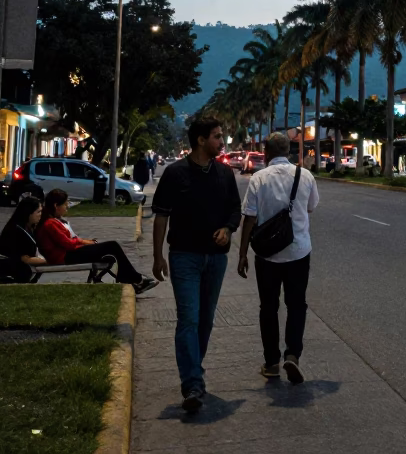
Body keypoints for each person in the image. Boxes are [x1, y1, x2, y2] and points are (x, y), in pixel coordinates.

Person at [152, 116, 241, 415]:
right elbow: (161, 216)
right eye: (217, 136)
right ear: (201, 140)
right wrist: (157, 256)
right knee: (188, 318)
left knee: (206, 320)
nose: (221, 141)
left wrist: (228, 229)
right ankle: (191, 382)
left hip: (216, 258)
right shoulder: (175, 174)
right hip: (184, 256)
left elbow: (235, 210)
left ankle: (195, 372)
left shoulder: (225, 174)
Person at [237, 131, 319, 386]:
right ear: (289, 152)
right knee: (297, 305)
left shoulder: (259, 178)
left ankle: (271, 363)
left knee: (268, 308)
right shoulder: (305, 175)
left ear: (267, 152)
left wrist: (242, 254)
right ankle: (292, 354)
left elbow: (249, 218)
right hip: (298, 252)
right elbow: (311, 207)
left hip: (267, 256)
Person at [37, 188, 158, 293]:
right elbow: (68, 244)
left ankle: (131, 279)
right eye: (65, 204)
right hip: (65, 257)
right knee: (112, 246)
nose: (67, 206)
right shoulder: (50, 224)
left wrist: (85, 242)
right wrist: (84, 243)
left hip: (68, 254)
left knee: (110, 252)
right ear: (56, 206)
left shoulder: (54, 221)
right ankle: (137, 279)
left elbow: (69, 241)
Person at [0, 196, 47, 284]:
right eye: (38, 211)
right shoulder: (15, 230)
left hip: (21, 267)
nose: (41, 214)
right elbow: (26, 259)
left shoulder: (27, 227)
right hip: (14, 270)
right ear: (29, 213)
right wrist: (49, 261)